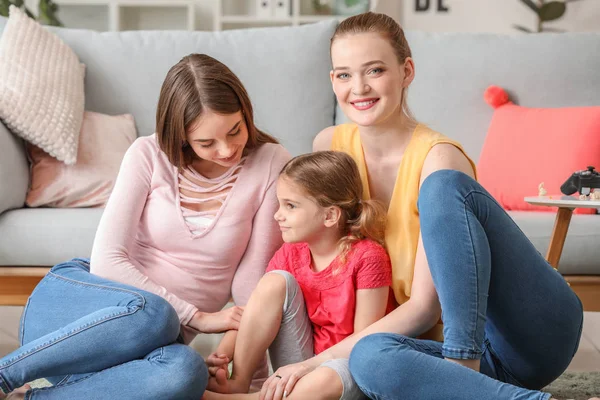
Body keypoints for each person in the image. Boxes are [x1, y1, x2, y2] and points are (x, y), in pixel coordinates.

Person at [257, 12, 596, 400]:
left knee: (442, 186)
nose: (360, 87)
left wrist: (311, 363)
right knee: (369, 358)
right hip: (452, 359)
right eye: (344, 74)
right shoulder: (329, 146)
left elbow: (422, 309)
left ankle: (460, 375)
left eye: (375, 70)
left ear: (407, 71)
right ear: (333, 80)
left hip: (522, 335)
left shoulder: (437, 158)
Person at [0, 53, 290, 400]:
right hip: (73, 316)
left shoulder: (271, 162)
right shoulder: (147, 154)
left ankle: (40, 396)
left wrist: (244, 373)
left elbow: (252, 284)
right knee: (156, 314)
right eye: (206, 143)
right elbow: (108, 259)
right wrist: (197, 315)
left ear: (246, 112)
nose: (227, 149)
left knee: (187, 371)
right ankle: (5, 375)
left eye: (235, 130)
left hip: (148, 350)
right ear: (181, 136)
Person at [203, 151, 392, 400]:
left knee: (329, 375)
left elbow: (363, 347)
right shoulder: (291, 253)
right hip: (298, 363)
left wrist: (313, 368)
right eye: (280, 204)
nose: (277, 215)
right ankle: (239, 383)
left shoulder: (368, 257)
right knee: (273, 283)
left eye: (290, 206)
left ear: (330, 215)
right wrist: (223, 355)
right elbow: (254, 312)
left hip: (345, 367)